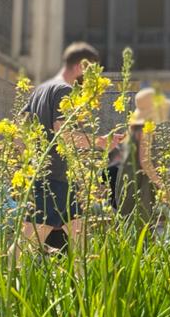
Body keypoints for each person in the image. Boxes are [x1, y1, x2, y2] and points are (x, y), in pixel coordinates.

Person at [20, 42, 120, 251]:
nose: (91, 77)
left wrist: (30, 163)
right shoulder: (65, 90)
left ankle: (84, 283)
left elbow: (21, 130)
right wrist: (100, 142)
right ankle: (3, 282)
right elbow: (64, 133)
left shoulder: (41, 89)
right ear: (80, 66)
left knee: (81, 245)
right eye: (91, 70)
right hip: (52, 181)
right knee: (25, 247)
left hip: (62, 180)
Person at [117, 87, 170, 221]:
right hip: (139, 184)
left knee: (127, 224)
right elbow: (145, 161)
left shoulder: (133, 128)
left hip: (126, 180)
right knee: (141, 224)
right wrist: (162, 186)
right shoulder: (146, 129)